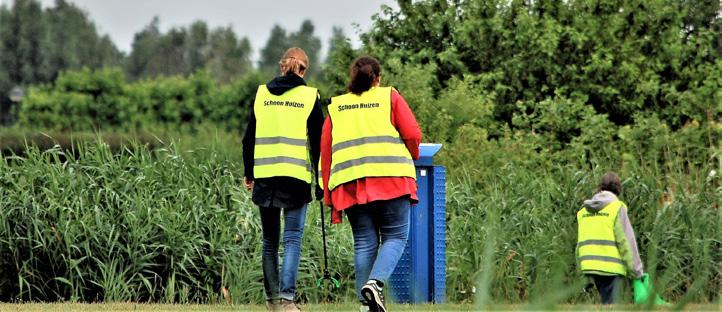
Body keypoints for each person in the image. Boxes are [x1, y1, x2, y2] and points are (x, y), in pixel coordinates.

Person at [320, 55, 422, 312]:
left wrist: (328, 191)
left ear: (352, 79)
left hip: (350, 183)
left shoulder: (337, 106)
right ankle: (375, 285)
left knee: (364, 242)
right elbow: (412, 133)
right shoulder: (389, 96)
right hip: (390, 177)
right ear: (377, 78)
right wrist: (412, 153)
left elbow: (326, 149)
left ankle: (366, 307)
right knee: (396, 236)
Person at [242, 47, 324, 312]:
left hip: (265, 176)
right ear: (303, 69)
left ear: (282, 66)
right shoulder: (310, 96)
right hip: (296, 177)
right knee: (292, 239)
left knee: (269, 242)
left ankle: (272, 303)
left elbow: (249, 138)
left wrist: (249, 172)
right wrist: (321, 180)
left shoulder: (261, 94)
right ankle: (288, 303)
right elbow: (319, 145)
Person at [576, 172, 645, 304]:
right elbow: (626, 241)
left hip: (589, 265)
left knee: (606, 303)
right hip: (611, 266)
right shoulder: (617, 208)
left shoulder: (583, 211)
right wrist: (637, 271)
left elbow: (579, 245)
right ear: (618, 189)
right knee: (612, 305)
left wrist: (581, 271)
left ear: (600, 188)